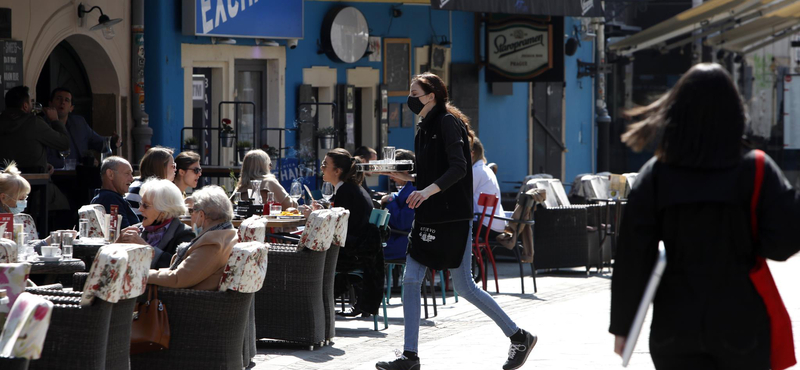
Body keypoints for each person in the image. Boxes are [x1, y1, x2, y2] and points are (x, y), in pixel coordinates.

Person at [610, 63, 800, 369]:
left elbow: (633, 254)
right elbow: (782, 244)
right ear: (736, 113)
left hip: (674, 325)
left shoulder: (657, 175)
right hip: (741, 322)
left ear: (676, 114)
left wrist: (623, 325)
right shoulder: (756, 169)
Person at [376, 73, 535, 370]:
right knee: (411, 281)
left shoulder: (449, 123)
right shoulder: (423, 127)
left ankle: (519, 336)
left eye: (415, 92)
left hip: (452, 219)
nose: (409, 98)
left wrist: (424, 190)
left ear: (431, 95)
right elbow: (430, 173)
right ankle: (410, 356)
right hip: (427, 217)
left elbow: (459, 168)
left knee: (465, 286)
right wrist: (407, 178)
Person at [304, 148, 380, 317]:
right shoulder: (351, 188)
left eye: (325, 165)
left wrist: (314, 216)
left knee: (306, 255)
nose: (321, 168)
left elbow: (336, 230)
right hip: (360, 249)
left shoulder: (346, 191)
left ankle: (310, 307)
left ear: (337, 171)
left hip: (351, 253)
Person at [147, 185, 237, 290]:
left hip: (189, 301)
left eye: (191, 211)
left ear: (202, 215)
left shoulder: (213, 242)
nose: (190, 216)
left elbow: (177, 278)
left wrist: (141, 274)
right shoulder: (229, 233)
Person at [117, 178, 195, 269]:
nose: (140, 209)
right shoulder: (135, 230)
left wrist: (146, 249)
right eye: (141, 204)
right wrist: (118, 243)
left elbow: (177, 268)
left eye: (145, 205)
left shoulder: (184, 234)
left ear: (163, 212)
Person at [45, 87, 121, 169]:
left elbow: (98, 142)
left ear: (71, 108)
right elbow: (44, 158)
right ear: (50, 104)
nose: (62, 102)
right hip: (54, 176)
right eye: (58, 99)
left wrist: (113, 142)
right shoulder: (41, 125)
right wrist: (76, 165)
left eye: (67, 100)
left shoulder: (79, 123)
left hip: (81, 176)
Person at [0, 86, 67, 173]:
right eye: (31, 102)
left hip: (6, 183)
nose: (33, 105)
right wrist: (55, 120)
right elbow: (64, 143)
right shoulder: (34, 123)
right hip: (35, 183)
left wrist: (42, 164)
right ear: (25, 106)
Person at [380, 149, 416, 261]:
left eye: (393, 172)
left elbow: (402, 223)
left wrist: (390, 201)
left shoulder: (414, 192)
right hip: (399, 238)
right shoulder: (409, 188)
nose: (391, 177)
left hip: (404, 242)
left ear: (405, 171)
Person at [126, 146, 176, 218]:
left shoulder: (138, 184)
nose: (175, 170)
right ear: (161, 168)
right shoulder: (148, 190)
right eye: (173, 166)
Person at [471, 137, 506, 239]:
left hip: (485, 225)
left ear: (472, 153)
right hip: (496, 225)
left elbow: (462, 197)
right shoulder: (486, 170)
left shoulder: (476, 171)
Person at [91, 156, 138, 229]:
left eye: (131, 174)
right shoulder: (110, 199)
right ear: (110, 174)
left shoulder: (108, 197)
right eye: (127, 173)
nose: (131, 178)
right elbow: (126, 235)